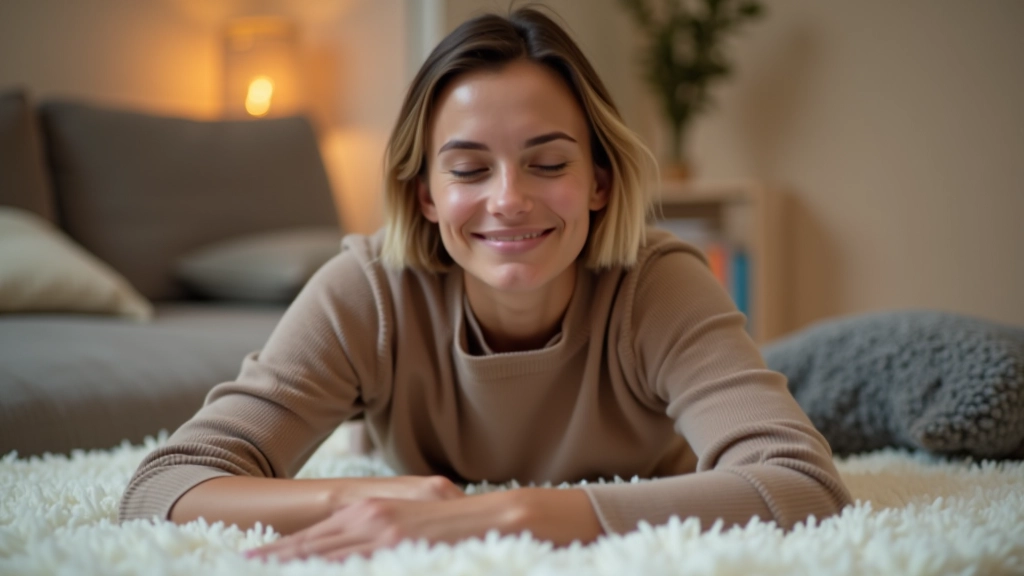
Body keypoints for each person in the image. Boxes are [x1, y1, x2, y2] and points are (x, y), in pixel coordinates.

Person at [120, 7, 852, 563]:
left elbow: (805, 484)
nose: (508, 199)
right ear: (425, 195)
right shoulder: (367, 291)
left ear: (598, 181)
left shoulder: (657, 284)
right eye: (469, 169)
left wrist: (520, 515)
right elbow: (164, 487)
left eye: (548, 163)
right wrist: (370, 497)